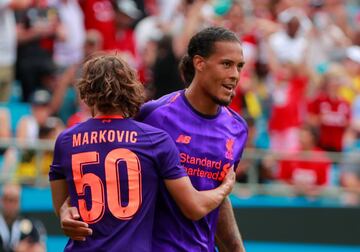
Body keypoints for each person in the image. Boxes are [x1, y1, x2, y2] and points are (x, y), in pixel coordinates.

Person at [60, 26, 248, 252]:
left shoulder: (237, 129)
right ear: (199, 63)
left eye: (239, 66)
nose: (235, 75)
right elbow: (102, 165)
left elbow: (218, 196)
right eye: (226, 64)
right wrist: (66, 208)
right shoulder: (152, 115)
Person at [0, 183, 46, 252]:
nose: (10, 205)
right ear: (1, 200)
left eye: (14, 200)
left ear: (19, 202)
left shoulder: (31, 225)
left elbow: (40, 249)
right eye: (7, 199)